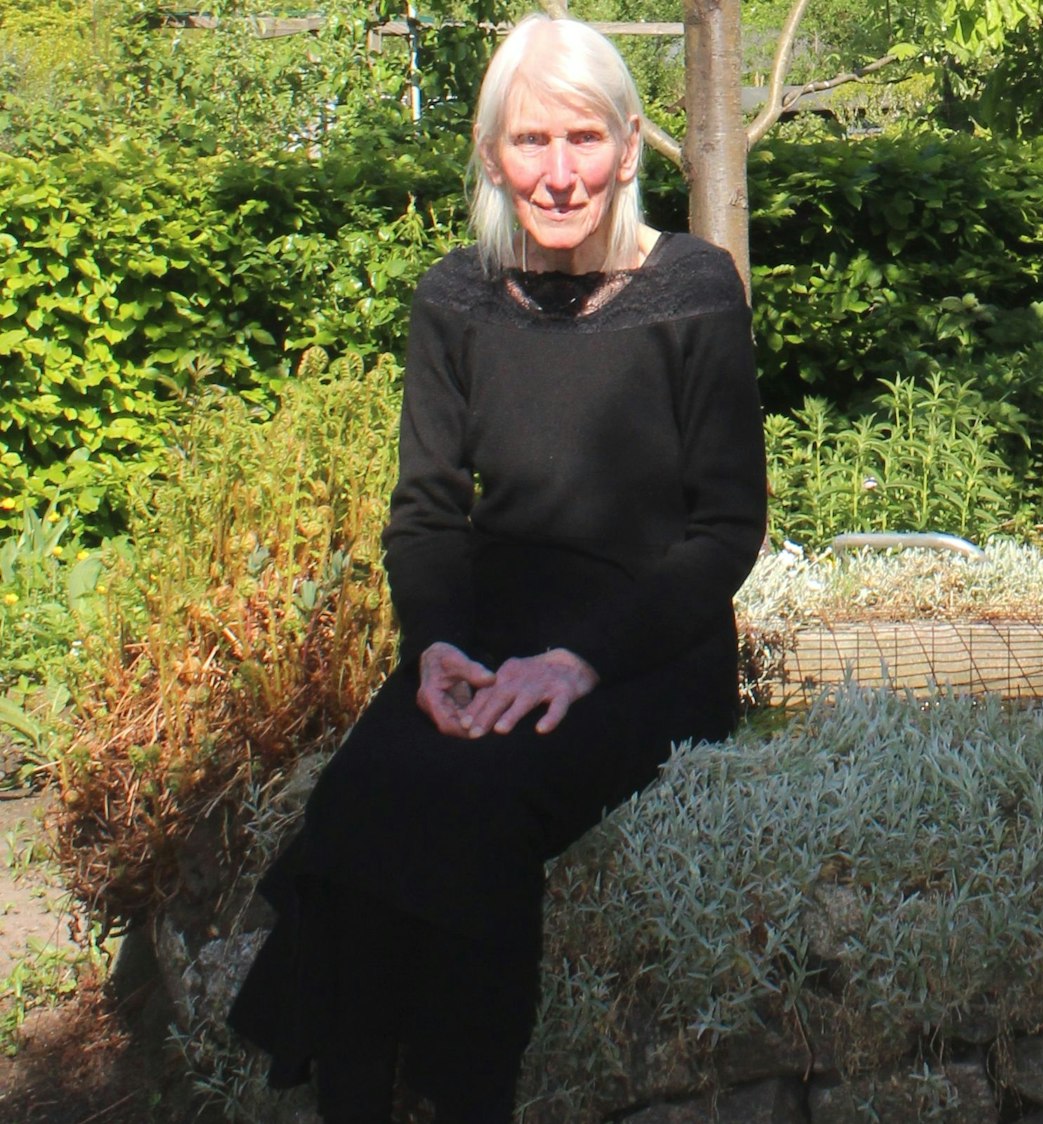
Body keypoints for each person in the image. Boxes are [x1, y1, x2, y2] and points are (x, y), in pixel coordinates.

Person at [227, 14, 767, 1122]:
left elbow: (726, 528)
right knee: (361, 795)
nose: (559, 175)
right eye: (531, 141)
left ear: (627, 146)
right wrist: (435, 652)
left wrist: (579, 663)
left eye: (583, 139)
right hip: (491, 626)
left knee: (475, 801)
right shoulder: (454, 297)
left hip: (644, 643)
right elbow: (426, 514)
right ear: (489, 150)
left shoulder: (696, 289)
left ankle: (467, 1098)